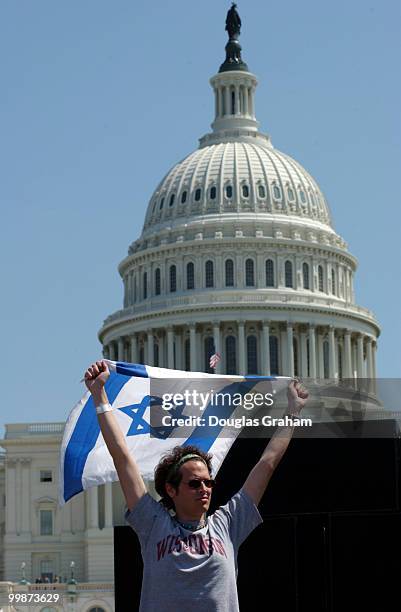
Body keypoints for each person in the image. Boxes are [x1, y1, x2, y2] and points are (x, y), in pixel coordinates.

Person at [84, 360, 308, 612]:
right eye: (194, 483)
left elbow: (267, 463)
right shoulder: (153, 523)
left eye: (208, 482)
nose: (205, 489)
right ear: (171, 489)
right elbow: (122, 457)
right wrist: (99, 396)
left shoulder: (228, 523)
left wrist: (293, 412)